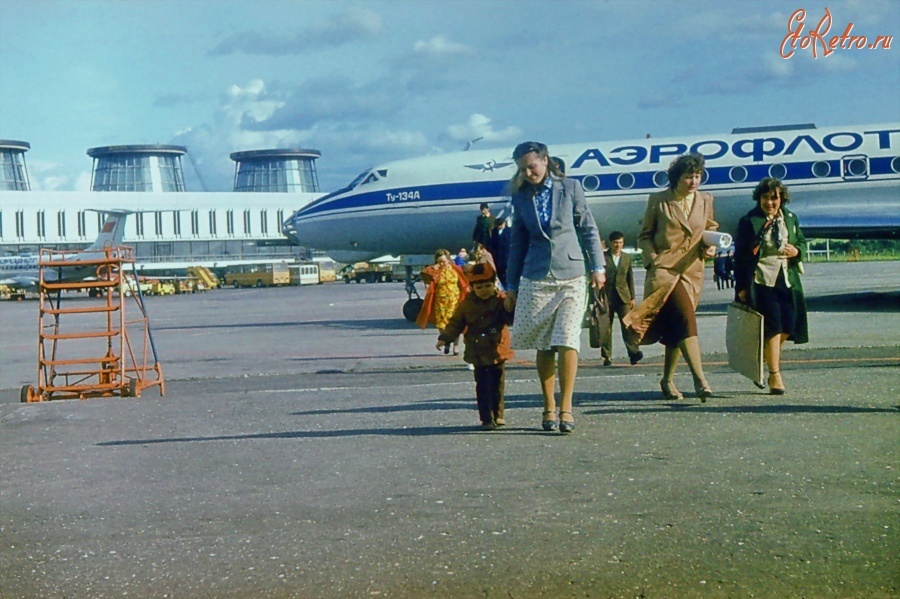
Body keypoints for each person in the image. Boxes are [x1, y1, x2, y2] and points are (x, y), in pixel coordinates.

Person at [505, 141, 606, 434]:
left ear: (545, 161)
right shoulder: (520, 196)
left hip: (572, 273)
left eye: (531, 166)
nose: (527, 172)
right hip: (536, 276)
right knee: (544, 343)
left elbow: (588, 227)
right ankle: (548, 405)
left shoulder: (571, 188)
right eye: (522, 169)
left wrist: (598, 268)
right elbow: (517, 243)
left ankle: (567, 407)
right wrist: (510, 285)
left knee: (567, 339)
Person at [625, 153, 717, 402]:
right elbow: (644, 235)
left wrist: (711, 246)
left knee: (677, 328)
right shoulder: (659, 200)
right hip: (665, 272)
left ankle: (667, 380)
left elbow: (710, 228)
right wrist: (652, 259)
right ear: (677, 177)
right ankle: (701, 380)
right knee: (686, 319)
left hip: (692, 272)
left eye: (697, 176)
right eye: (689, 176)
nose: (694, 182)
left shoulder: (706, 199)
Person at [733, 178, 808, 394]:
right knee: (773, 327)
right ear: (759, 198)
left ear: (782, 198)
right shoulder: (749, 221)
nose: (770, 202)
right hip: (761, 280)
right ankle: (775, 376)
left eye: (774, 197)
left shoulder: (791, 219)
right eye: (765, 197)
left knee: (788, 327)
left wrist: (797, 252)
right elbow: (739, 257)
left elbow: (801, 241)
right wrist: (741, 287)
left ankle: (765, 359)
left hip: (786, 278)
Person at [436, 262, 514, 430]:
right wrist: (445, 338)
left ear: (494, 284)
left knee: (497, 385)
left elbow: (510, 318)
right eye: (479, 287)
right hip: (477, 350)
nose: (484, 290)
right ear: (471, 287)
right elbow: (456, 322)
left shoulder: (500, 300)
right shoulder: (467, 304)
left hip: (497, 349)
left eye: (487, 285)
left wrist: (511, 305)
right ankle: (486, 418)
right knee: (482, 385)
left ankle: (498, 415)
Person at [601, 231, 643, 366]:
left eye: (620, 242)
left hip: (623, 297)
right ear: (610, 243)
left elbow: (629, 278)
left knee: (628, 326)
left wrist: (632, 297)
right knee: (606, 328)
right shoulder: (603, 257)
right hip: (607, 297)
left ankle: (633, 353)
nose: (617, 245)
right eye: (615, 242)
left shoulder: (626, 258)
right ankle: (607, 356)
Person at [416, 249, 470, 355]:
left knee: (455, 324)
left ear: (448, 260)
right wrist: (433, 268)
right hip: (440, 301)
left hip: (454, 301)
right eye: (439, 261)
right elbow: (423, 274)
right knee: (441, 325)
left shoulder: (455, 269)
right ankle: (446, 342)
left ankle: (456, 346)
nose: (442, 264)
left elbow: (464, 281)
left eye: (443, 261)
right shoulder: (436, 271)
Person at [489, 216, 511, 288]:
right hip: (497, 256)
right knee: (499, 273)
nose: (500, 226)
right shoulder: (494, 232)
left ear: (504, 223)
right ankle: (504, 287)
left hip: (506, 255)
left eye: (501, 224)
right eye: (498, 225)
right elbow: (492, 243)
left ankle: (508, 287)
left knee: (507, 272)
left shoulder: (509, 231)